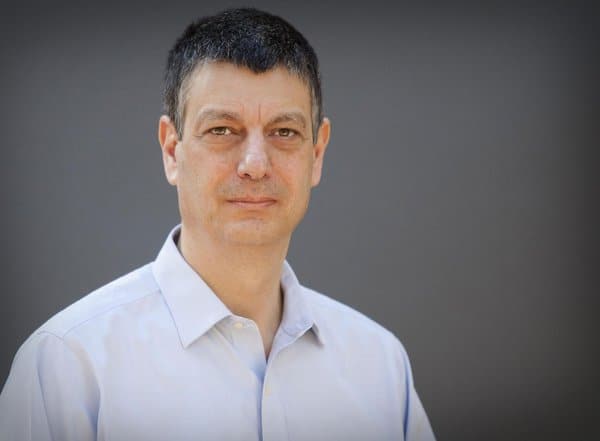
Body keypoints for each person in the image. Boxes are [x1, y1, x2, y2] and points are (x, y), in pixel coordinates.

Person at [0, 8, 435, 441]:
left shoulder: (381, 369)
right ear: (172, 150)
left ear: (316, 154)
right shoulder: (68, 368)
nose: (255, 165)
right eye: (223, 130)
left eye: (284, 132)